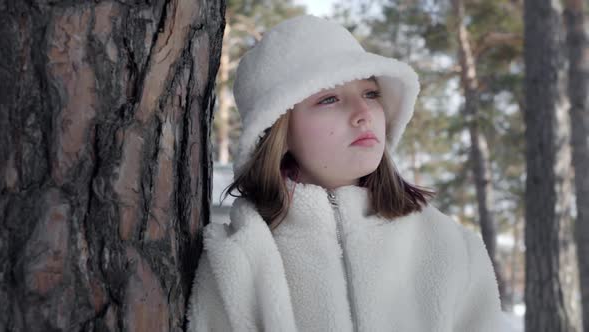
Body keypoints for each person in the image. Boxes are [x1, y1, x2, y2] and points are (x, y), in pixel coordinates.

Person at [187, 15, 508, 332]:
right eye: (329, 99)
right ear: (278, 131)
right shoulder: (235, 262)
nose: (363, 113)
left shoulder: (450, 246)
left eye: (370, 94)